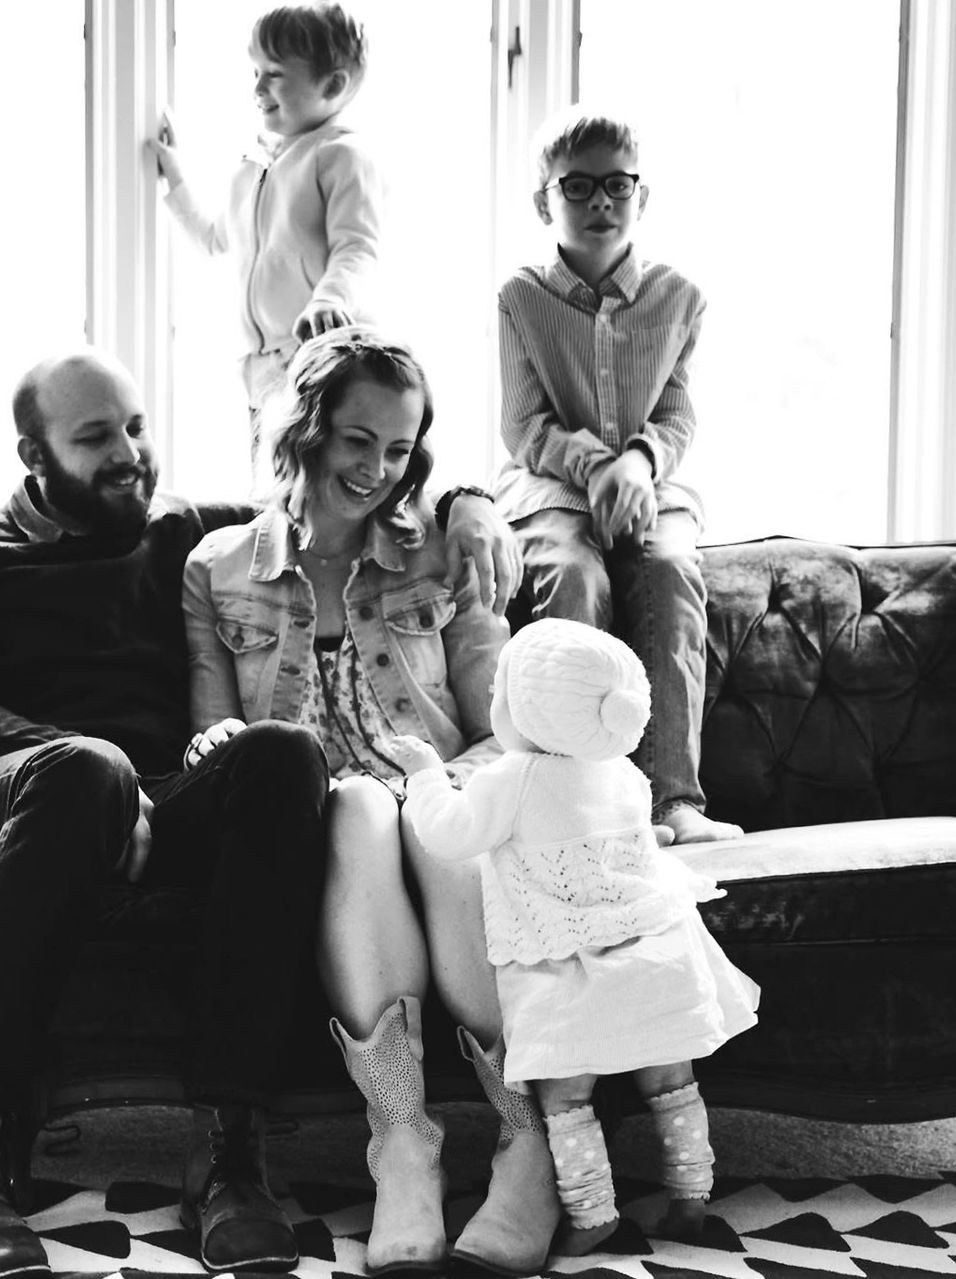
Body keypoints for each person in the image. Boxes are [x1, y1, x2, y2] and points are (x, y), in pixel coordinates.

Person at [0, 346, 519, 1279]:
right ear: (33, 454)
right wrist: (104, 778)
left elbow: (335, 502)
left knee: (280, 752)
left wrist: (470, 496)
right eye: (95, 437)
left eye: (137, 427)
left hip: (145, 811)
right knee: (85, 771)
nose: (129, 453)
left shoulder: (176, 535)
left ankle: (229, 1155)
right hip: (3, 806)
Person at [182, 328, 559, 1278]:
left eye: (400, 450)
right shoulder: (218, 567)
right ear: (307, 430)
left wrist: (470, 501)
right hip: (319, 824)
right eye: (358, 441)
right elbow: (214, 738)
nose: (379, 470)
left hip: (446, 803)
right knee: (356, 810)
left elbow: (502, 726)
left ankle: (527, 1138)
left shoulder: (441, 550)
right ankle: (402, 1144)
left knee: (427, 817)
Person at [390, 618, 761, 1254]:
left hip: (571, 969)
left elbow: (451, 836)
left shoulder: (513, 777)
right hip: (658, 952)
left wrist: (425, 776)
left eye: (500, 691)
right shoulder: (622, 771)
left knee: (566, 1099)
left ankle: (592, 1214)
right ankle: (692, 1193)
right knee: (674, 1085)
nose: (492, 702)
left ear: (527, 710)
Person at [494, 107, 741, 843]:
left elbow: (678, 416)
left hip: (652, 483)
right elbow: (523, 425)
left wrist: (637, 461)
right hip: (551, 484)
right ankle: (583, 802)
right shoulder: (520, 298)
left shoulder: (679, 298)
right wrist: (596, 465)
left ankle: (674, 802)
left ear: (641, 195)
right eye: (578, 186)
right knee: (574, 576)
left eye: (617, 185)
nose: (600, 201)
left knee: (669, 573)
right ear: (546, 201)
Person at [146, 2, 384, 477]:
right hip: (260, 366)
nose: (257, 88)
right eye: (256, 71)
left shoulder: (341, 156)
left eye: (273, 74)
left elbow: (358, 247)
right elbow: (217, 238)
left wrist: (328, 299)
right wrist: (176, 181)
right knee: (271, 486)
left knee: (315, 484)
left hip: (318, 357)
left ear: (331, 85)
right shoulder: (254, 164)